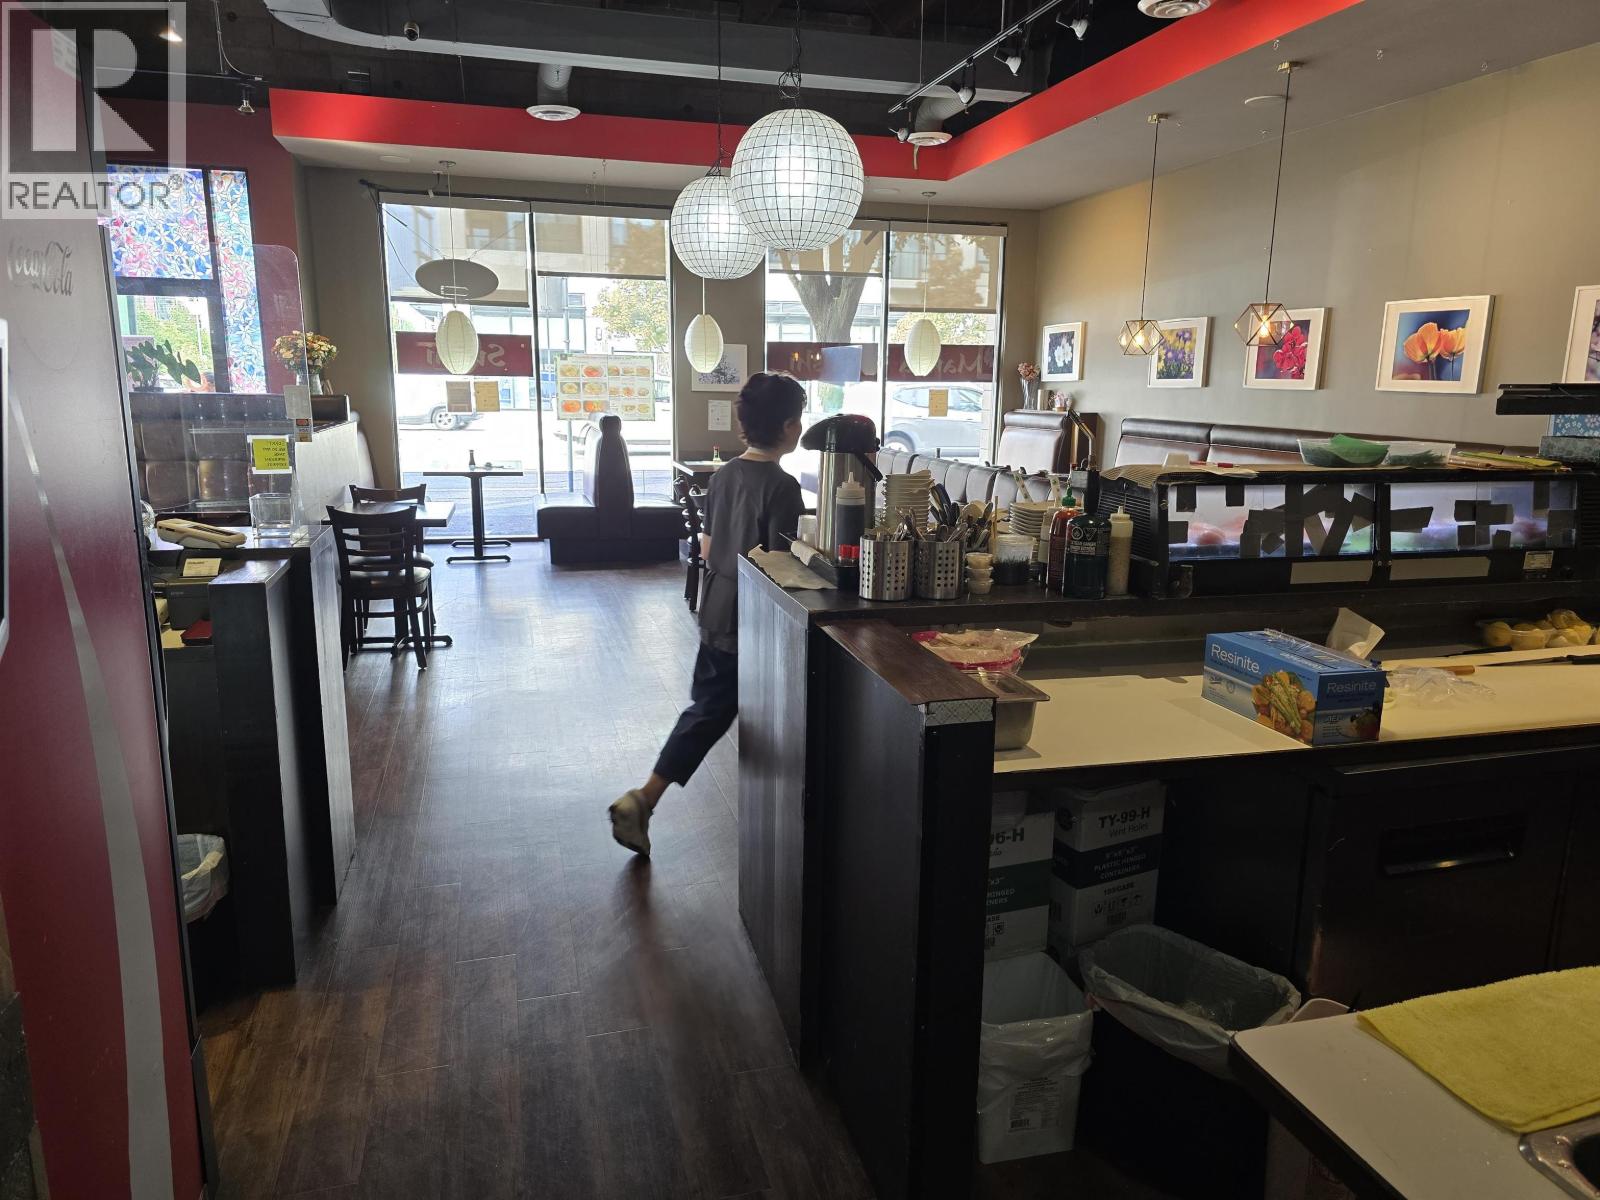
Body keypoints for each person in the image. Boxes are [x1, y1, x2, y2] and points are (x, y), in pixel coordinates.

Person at [609, 373, 806, 855]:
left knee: (712, 705)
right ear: (787, 426)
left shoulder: (723, 477)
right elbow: (778, 565)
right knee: (720, 710)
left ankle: (650, 799)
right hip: (752, 616)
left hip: (716, 605)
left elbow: (709, 546)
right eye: (799, 418)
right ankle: (644, 799)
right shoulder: (783, 487)